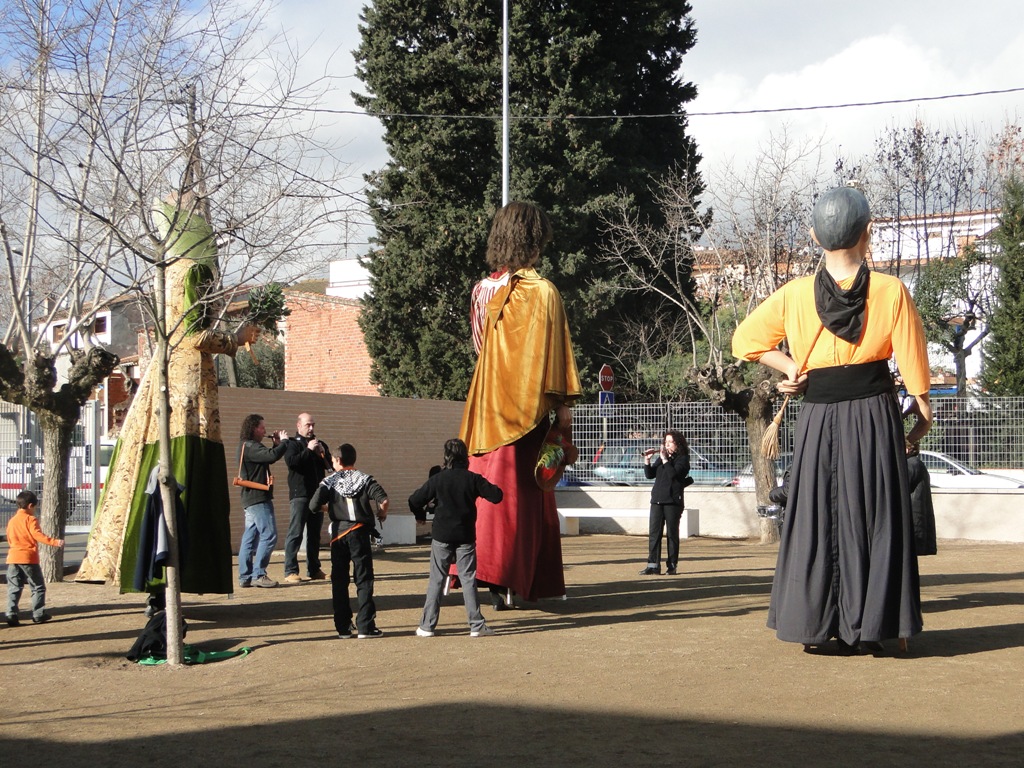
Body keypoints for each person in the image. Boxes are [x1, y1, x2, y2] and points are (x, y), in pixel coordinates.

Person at [732, 185, 932, 655]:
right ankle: (872, 629)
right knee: (876, 515)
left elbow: (744, 340)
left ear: (813, 236)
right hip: (874, 415)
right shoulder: (891, 290)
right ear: (868, 232)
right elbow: (917, 377)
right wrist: (918, 425)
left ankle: (819, 628)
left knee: (818, 515)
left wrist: (789, 368)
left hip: (819, 417)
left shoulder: (794, 294)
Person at [78, 194, 258, 597]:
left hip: (166, 379)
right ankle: (169, 579)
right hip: (189, 388)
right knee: (184, 473)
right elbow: (194, 334)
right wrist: (237, 338)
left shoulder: (167, 273)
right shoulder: (195, 272)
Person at [460, 202, 581, 609]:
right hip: (526, 410)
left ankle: (483, 574)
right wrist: (562, 405)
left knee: (485, 488)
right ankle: (519, 578)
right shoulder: (543, 291)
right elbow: (554, 353)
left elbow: (482, 349)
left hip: (485, 404)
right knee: (525, 497)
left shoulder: (482, 290)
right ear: (534, 241)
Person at [410, 438, 504, 638]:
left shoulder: (438, 478)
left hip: (441, 534)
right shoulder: (472, 479)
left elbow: (414, 500)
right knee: (468, 579)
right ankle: (476, 625)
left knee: (436, 579)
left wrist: (420, 516)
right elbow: (497, 495)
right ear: (465, 456)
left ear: (446, 456)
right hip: (465, 535)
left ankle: (427, 626)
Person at [309, 443, 389, 639]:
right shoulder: (365, 479)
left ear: (336, 460)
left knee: (339, 581)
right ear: (354, 459)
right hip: (359, 533)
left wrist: (333, 509)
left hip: (338, 535)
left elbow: (313, 506)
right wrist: (382, 513)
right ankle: (366, 626)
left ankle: (343, 628)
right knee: (363, 580)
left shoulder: (329, 482)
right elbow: (383, 499)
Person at [237, 414, 289, 588]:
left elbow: (267, 455)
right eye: (261, 427)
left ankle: (245, 576)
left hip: (250, 498)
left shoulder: (247, 446)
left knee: (250, 536)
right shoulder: (250, 446)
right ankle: (259, 574)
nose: (265, 430)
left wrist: (276, 445)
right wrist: (284, 443)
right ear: (253, 429)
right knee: (269, 535)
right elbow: (271, 457)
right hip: (258, 498)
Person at [283, 412, 332, 583]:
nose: (311, 428)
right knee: (296, 532)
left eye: (313, 425)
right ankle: (290, 570)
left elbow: (331, 467)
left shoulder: (319, 444)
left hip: (316, 496)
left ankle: (314, 569)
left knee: (314, 534)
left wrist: (323, 454)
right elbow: (292, 463)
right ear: (298, 425)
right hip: (300, 495)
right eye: (307, 425)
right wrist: (308, 450)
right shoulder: (292, 445)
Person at [6, 490, 64, 626]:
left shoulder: (12, 520)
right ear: (31, 506)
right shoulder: (30, 519)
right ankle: (38, 614)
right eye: (36, 507)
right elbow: (37, 535)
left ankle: (11, 613)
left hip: (13, 557)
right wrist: (54, 542)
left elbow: (9, 537)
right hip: (28, 557)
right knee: (38, 586)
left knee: (14, 587)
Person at [639, 430, 692, 576]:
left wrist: (665, 460)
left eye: (670, 442)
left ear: (678, 444)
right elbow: (650, 475)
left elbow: (673, 475)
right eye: (665, 442)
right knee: (654, 534)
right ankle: (653, 565)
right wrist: (647, 460)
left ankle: (672, 565)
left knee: (672, 534)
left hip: (673, 502)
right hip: (657, 500)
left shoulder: (683, 459)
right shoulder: (663, 458)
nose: (666, 445)